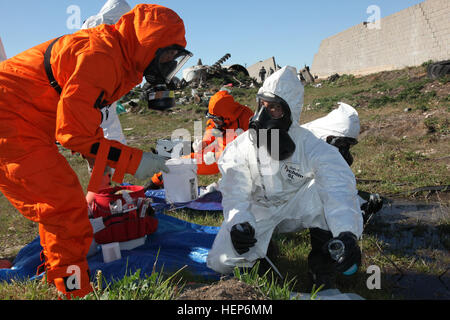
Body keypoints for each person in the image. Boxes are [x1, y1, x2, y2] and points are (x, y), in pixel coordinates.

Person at [0, 4, 192, 298]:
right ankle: (75, 291)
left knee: (61, 208)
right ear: (149, 42)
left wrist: (100, 160)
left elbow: (83, 120)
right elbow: (72, 134)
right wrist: (134, 160)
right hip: (10, 119)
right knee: (63, 207)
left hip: (23, 119)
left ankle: (61, 280)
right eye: (167, 54)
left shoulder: (118, 57)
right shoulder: (102, 57)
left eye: (173, 57)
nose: (168, 63)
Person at [206, 66, 363, 290]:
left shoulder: (310, 145)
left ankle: (322, 269)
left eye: (274, 108)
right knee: (220, 263)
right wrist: (239, 221)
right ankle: (263, 249)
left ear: (290, 112)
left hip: (294, 207)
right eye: (261, 105)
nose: (262, 116)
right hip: (258, 209)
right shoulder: (240, 148)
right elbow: (235, 191)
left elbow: (338, 188)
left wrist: (347, 233)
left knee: (323, 196)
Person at [147, 90, 254, 189]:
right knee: (183, 161)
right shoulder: (219, 114)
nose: (214, 122)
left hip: (238, 162)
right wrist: (204, 142)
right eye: (212, 118)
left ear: (227, 117)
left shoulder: (248, 118)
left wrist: (219, 157)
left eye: (216, 119)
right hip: (219, 152)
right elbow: (211, 127)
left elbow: (254, 150)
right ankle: (155, 182)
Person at [81, 0, 131, 206]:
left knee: (109, 152)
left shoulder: (100, 30)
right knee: (99, 153)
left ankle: (108, 195)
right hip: (91, 105)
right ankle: (99, 201)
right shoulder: (97, 32)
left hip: (103, 105)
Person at [301, 102, 383, 220]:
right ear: (330, 138)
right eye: (343, 144)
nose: (344, 149)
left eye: (348, 145)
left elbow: (339, 181)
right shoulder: (303, 142)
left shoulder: (333, 149)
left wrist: (362, 204)